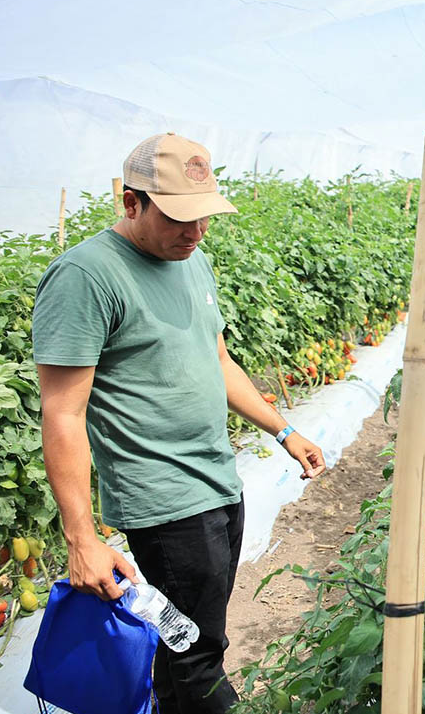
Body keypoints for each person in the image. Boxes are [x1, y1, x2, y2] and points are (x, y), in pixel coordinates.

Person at [33, 133, 327, 714]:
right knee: (198, 656)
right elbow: (62, 413)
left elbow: (218, 361)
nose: (194, 233)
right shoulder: (86, 277)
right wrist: (82, 538)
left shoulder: (191, 260)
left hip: (218, 480)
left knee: (182, 645)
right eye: (177, 218)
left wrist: (284, 431)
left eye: (203, 217)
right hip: (164, 503)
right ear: (131, 203)